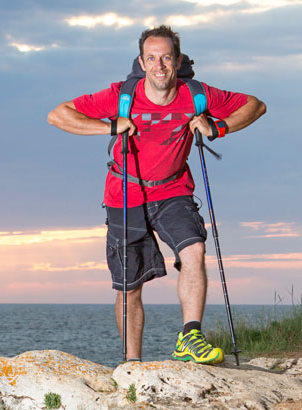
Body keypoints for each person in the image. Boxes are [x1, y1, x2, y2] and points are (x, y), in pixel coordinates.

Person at [47, 25, 266, 364]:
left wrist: (218, 127)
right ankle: (133, 364)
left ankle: (190, 337)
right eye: (152, 58)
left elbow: (255, 105)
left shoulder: (196, 93)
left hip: (173, 190)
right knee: (129, 286)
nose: (159, 66)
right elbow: (58, 115)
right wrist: (109, 125)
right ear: (141, 62)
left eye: (166, 58)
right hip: (125, 194)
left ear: (177, 61)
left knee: (194, 249)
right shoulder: (122, 96)